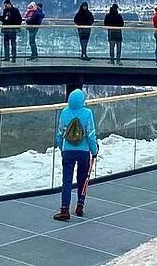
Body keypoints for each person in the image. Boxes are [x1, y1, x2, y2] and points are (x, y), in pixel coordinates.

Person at [52, 88, 99, 222]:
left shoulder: (65, 112)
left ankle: (64, 209)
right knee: (82, 178)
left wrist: (62, 148)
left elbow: (60, 133)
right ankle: (80, 204)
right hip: (83, 151)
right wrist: (94, 151)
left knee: (67, 181)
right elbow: (90, 134)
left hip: (68, 151)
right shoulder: (87, 113)